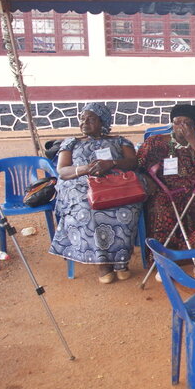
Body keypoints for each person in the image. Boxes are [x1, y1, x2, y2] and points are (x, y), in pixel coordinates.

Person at [49, 103, 143, 284]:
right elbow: (62, 171)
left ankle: (121, 261)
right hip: (80, 186)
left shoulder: (119, 141)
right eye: (82, 118)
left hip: (115, 185)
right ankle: (103, 264)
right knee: (88, 209)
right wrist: (85, 169)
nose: (84, 122)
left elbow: (133, 163)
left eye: (90, 119)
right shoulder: (71, 142)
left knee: (126, 208)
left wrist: (112, 164)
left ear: (103, 121)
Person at [137, 104, 195, 276]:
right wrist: (149, 182)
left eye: (187, 123)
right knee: (160, 205)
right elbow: (139, 167)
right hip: (164, 189)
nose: (181, 127)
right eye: (177, 122)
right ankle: (164, 262)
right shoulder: (156, 142)